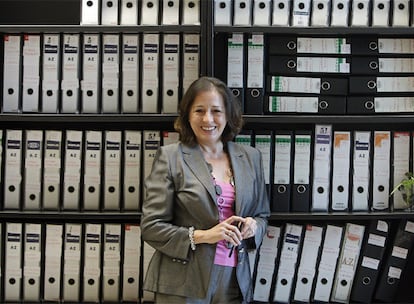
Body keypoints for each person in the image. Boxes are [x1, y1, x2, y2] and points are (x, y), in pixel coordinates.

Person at [141, 76, 270, 304]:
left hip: (234, 281)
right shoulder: (171, 157)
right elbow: (151, 227)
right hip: (183, 282)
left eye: (216, 111)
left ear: (228, 115)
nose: (208, 119)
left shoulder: (250, 158)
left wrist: (254, 226)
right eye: (199, 110)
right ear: (188, 115)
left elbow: (262, 216)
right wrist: (203, 236)